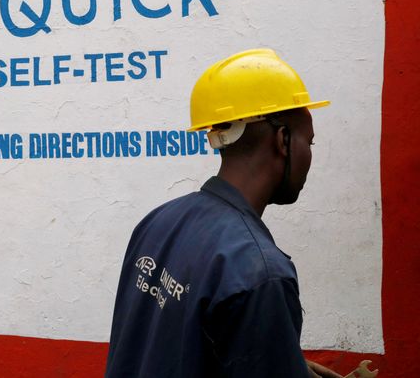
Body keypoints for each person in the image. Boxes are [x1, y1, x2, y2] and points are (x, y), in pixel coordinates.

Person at [105, 49, 342, 378]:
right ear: (283, 140)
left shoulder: (157, 222)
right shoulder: (260, 273)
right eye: (310, 142)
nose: (310, 155)